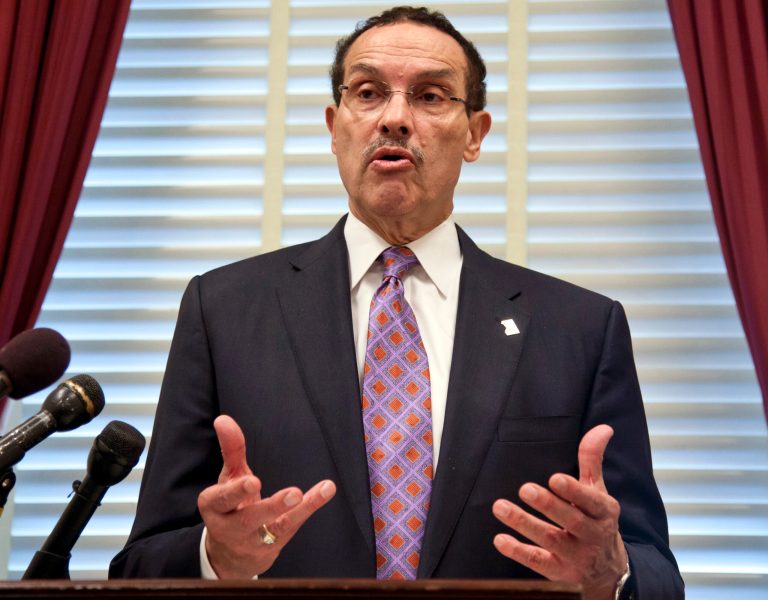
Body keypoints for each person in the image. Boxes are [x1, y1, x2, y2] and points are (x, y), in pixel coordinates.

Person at [110, 6, 684, 599]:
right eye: (368, 92)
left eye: (432, 96)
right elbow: (139, 565)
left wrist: (610, 576)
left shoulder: (581, 329)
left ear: (475, 135)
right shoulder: (223, 310)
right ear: (335, 127)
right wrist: (215, 557)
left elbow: (658, 574)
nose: (395, 118)